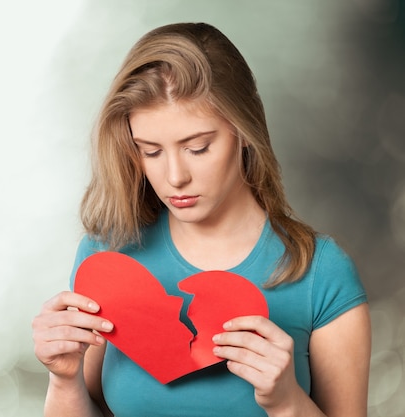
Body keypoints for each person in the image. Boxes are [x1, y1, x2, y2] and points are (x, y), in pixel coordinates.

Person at [32, 22, 370, 417]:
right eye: (151, 152)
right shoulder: (107, 257)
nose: (175, 176)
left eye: (197, 147)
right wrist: (63, 379)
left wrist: (287, 402)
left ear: (244, 131)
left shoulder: (321, 273)